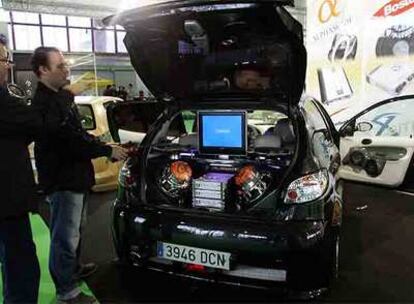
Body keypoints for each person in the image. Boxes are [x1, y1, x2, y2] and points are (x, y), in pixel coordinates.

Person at [31, 46, 128, 304]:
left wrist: (106, 146)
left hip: (76, 178)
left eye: (66, 64)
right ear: (42, 70)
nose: (67, 70)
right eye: (60, 66)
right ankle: (67, 292)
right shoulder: (44, 103)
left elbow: (78, 133)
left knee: (75, 231)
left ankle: (73, 269)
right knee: (64, 237)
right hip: (63, 181)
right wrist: (105, 150)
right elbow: (66, 139)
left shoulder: (60, 99)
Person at [0, 35, 61, 303]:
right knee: (21, 267)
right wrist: (57, 92)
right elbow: (39, 123)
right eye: (4, 60)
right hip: (8, 202)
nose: (8, 66)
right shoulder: (5, 103)